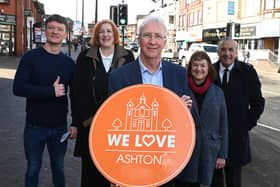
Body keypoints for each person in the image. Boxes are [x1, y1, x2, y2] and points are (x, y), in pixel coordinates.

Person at [108, 16, 199, 187]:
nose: (152, 41)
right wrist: (112, 169)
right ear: (139, 40)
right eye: (147, 35)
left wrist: (182, 109)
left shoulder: (179, 73)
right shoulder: (119, 77)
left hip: (168, 164)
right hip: (131, 164)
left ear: (165, 41)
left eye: (158, 36)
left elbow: (192, 120)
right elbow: (111, 125)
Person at [13, 14, 77, 187]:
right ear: (46, 31)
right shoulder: (30, 57)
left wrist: (75, 123)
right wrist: (50, 91)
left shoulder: (69, 63)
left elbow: (76, 95)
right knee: (33, 168)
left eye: (60, 29)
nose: (55, 32)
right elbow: (18, 88)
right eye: (52, 28)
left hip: (59, 128)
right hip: (34, 127)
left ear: (66, 34)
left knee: (59, 168)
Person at [72, 19, 135, 187]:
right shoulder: (85, 57)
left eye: (109, 31)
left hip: (119, 126)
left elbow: (133, 89)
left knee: (116, 171)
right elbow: (77, 91)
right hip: (91, 123)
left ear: (114, 34)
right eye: (101, 31)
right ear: (96, 35)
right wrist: (78, 122)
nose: (105, 35)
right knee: (91, 172)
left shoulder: (127, 56)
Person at [211, 38, 265, 187]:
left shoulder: (247, 72)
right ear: (218, 52)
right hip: (213, 138)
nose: (227, 53)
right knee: (214, 181)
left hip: (236, 139)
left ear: (236, 52)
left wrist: (246, 125)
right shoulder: (210, 71)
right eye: (223, 50)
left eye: (230, 50)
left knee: (234, 181)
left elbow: (258, 103)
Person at [176, 51, 228, 187]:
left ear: (208, 68)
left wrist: (222, 154)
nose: (199, 69)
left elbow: (223, 125)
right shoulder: (181, 90)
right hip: (186, 150)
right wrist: (178, 106)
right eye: (195, 65)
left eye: (203, 65)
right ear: (190, 67)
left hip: (210, 150)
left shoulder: (217, 92)